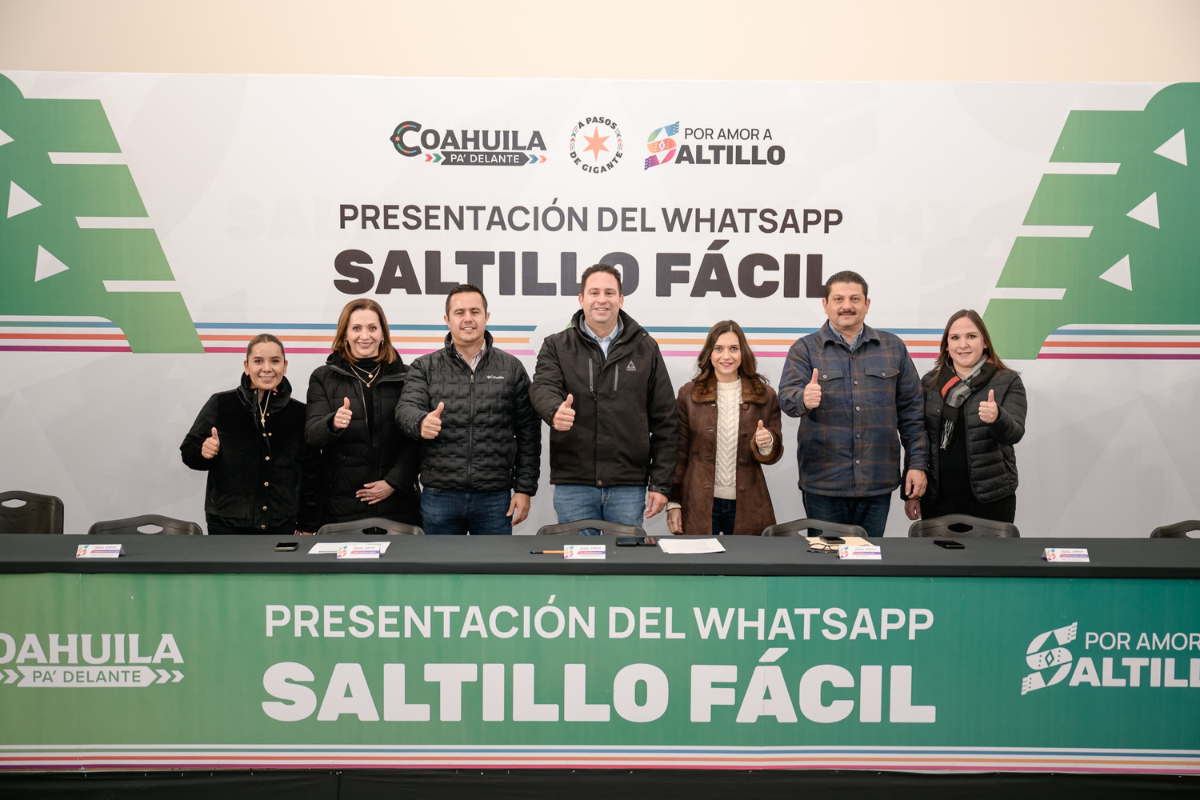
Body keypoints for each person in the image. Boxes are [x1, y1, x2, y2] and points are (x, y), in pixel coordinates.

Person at [778, 270, 928, 537]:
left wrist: (916, 464)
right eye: (838, 299)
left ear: (867, 304)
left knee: (869, 558)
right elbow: (787, 398)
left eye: (855, 299)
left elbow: (912, 414)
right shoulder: (805, 349)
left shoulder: (893, 348)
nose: (846, 306)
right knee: (825, 559)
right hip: (824, 484)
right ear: (825, 304)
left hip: (877, 482)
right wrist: (803, 398)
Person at [530, 263, 678, 532]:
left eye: (609, 293)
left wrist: (660, 484)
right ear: (581, 299)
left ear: (621, 299)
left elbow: (666, 421)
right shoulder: (556, 345)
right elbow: (542, 387)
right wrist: (554, 410)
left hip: (627, 486)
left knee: (625, 558)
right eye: (594, 292)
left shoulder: (646, 348)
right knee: (577, 558)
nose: (602, 299)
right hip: (574, 484)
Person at [396, 284, 541, 534]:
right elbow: (405, 408)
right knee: (439, 561)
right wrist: (420, 422)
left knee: (495, 562)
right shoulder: (425, 367)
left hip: (495, 497)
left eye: (475, 311)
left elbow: (529, 431)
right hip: (440, 495)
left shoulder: (511, 368)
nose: (468, 319)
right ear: (447, 319)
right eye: (459, 312)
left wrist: (524, 488)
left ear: (486, 316)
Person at [181, 334, 318, 535]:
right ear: (246, 366)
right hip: (226, 525)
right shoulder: (221, 404)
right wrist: (203, 451)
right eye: (258, 361)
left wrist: (307, 523)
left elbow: (311, 472)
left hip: (282, 525)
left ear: (285, 366)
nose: (267, 368)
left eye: (275, 361)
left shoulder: (300, 413)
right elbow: (188, 451)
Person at [305, 299, 421, 528]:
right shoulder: (323, 377)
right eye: (356, 328)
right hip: (342, 505)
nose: (365, 336)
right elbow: (311, 435)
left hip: (398, 503)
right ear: (345, 334)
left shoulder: (408, 376)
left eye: (372, 328)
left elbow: (417, 441)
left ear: (383, 333)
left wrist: (393, 482)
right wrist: (332, 423)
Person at [904, 309, 1026, 523]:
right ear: (946, 345)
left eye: (971, 336)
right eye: (955, 338)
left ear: (985, 342)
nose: (963, 344)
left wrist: (998, 417)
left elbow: (1014, 434)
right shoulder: (929, 383)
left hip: (991, 497)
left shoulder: (1008, 381)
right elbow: (918, 436)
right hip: (938, 498)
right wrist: (911, 494)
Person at [666, 320, 783, 536]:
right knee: (699, 559)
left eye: (733, 349)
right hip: (698, 504)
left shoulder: (765, 395)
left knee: (746, 559)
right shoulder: (688, 395)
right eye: (719, 349)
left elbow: (772, 455)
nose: (726, 356)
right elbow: (678, 452)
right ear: (709, 353)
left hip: (749, 505)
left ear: (743, 352)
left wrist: (766, 444)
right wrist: (673, 501)